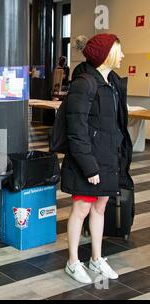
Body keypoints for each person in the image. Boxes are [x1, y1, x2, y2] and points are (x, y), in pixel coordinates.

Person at [61, 34, 133, 284]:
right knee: (81, 209)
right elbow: (76, 130)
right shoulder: (84, 83)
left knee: (100, 207)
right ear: (106, 54)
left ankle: (96, 258)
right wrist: (89, 166)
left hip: (108, 158)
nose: (122, 55)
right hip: (88, 161)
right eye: (119, 50)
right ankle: (72, 262)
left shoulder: (112, 82)